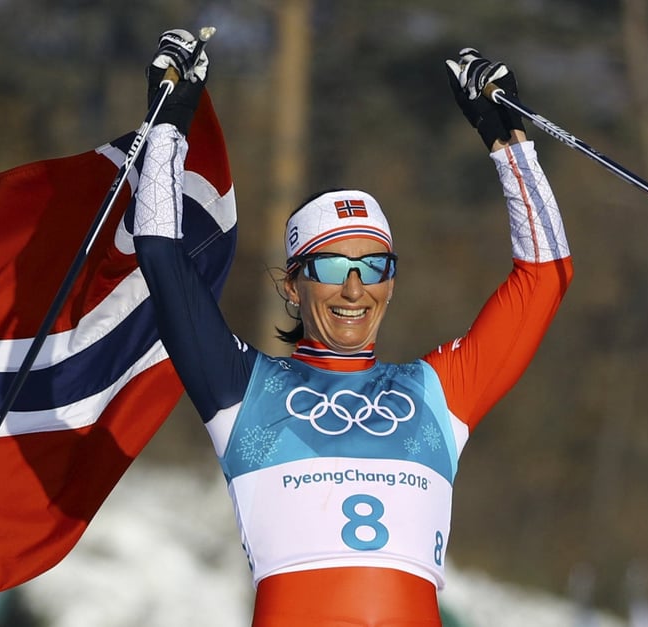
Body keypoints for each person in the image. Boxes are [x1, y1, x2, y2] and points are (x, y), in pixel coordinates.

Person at [133, 29, 573, 627]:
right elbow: (160, 252)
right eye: (333, 266)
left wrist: (507, 140)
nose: (354, 288)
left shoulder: (437, 394)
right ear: (293, 285)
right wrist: (168, 120)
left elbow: (546, 274)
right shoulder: (242, 390)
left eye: (374, 266)